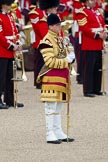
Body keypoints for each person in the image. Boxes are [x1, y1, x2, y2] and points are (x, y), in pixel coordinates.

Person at [37, 13, 75, 144]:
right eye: (58, 25)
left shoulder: (60, 39)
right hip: (51, 78)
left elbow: (64, 54)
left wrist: (71, 55)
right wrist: (66, 60)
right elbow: (49, 62)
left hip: (61, 77)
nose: (60, 27)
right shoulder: (46, 41)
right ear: (51, 26)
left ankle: (57, 131)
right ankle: (49, 133)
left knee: (58, 106)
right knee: (50, 107)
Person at [76, 0, 107, 97]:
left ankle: (96, 88)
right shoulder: (82, 13)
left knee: (98, 68)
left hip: (99, 43)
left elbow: (102, 23)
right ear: (86, 2)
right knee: (89, 68)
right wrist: (97, 35)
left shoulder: (98, 11)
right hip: (90, 43)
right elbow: (84, 28)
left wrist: (105, 31)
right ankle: (88, 89)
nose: (94, 1)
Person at [0, 0, 24, 109]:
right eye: (7, 4)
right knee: (1, 77)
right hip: (2, 50)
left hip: (11, 51)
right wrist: (11, 46)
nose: (9, 6)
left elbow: (15, 32)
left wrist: (17, 43)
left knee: (10, 76)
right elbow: (1, 36)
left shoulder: (10, 16)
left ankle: (10, 100)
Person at [28, 0, 48, 89]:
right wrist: (47, 36)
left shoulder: (45, 10)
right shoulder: (34, 13)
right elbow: (37, 28)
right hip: (40, 40)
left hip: (47, 38)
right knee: (39, 62)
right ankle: (38, 81)